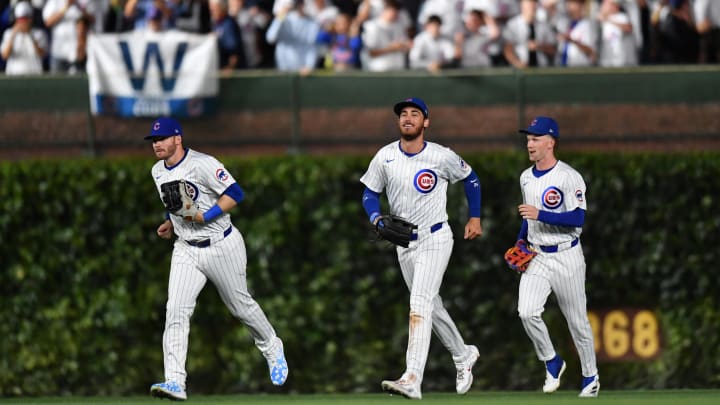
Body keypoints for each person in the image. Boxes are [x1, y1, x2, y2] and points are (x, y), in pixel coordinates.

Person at [145, 117, 289, 401]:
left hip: (221, 243)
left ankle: (272, 346)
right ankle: (175, 381)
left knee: (241, 306)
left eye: (162, 139)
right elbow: (175, 204)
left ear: (178, 139)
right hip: (186, 248)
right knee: (176, 310)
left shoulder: (203, 163)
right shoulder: (157, 171)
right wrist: (171, 223)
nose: (157, 144)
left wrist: (205, 216)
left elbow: (235, 193)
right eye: (153, 140)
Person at [360, 97, 483, 400]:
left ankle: (412, 378)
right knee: (431, 306)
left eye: (415, 114)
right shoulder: (385, 156)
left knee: (419, 304)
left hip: (436, 237)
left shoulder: (441, 156)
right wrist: (375, 217)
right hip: (404, 243)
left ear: (426, 122)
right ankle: (463, 354)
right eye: (403, 114)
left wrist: (475, 217)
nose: (408, 118)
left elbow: (471, 178)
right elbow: (369, 193)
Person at [512, 116, 600, 398]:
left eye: (536, 139)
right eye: (528, 139)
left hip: (566, 255)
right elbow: (528, 215)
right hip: (537, 255)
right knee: (527, 311)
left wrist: (541, 214)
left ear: (551, 142)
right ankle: (552, 360)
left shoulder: (568, 176)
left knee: (576, 321)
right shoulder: (526, 177)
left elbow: (578, 218)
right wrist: (519, 243)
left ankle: (590, 377)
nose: (530, 144)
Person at [265, 0, 320, 74]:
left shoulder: (313, 23)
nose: (299, 6)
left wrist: (309, 66)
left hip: (303, 71)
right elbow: (270, 38)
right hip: (283, 69)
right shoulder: (283, 20)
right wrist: (280, 17)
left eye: (301, 3)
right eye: (297, 3)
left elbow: (312, 46)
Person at [42, 0, 97, 74]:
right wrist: (66, 6)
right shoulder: (55, 1)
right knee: (57, 83)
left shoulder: (86, 1)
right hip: (59, 52)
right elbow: (48, 22)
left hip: (80, 53)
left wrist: (80, 8)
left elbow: (94, 19)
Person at [503, 0, 557, 68]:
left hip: (541, 68)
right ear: (522, 6)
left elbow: (553, 49)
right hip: (519, 69)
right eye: (528, 5)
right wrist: (517, 63)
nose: (531, 7)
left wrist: (539, 46)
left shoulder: (544, 26)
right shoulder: (512, 25)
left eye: (533, 4)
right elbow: (507, 49)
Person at [1, 0, 47, 75]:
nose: (23, 22)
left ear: (31, 19)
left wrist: (30, 35)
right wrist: (13, 35)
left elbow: (42, 54)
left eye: (26, 19)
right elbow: (5, 55)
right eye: (21, 19)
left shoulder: (39, 33)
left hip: (34, 74)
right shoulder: (8, 33)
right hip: (14, 74)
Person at [209, 0, 247, 72]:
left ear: (223, 9)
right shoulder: (216, 23)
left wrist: (229, 67)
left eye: (215, 9)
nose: (212, 11)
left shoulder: (229, 25)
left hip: (234, 73)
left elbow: (234, 51)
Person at [556, 0, 596, 67]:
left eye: (573, 3)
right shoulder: (566, 23)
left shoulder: (587, 25)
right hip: (563, 67)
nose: (570, 6)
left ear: (581, 5)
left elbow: (591, 51)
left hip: (580, 68)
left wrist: (572, 41)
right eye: (569, 3)